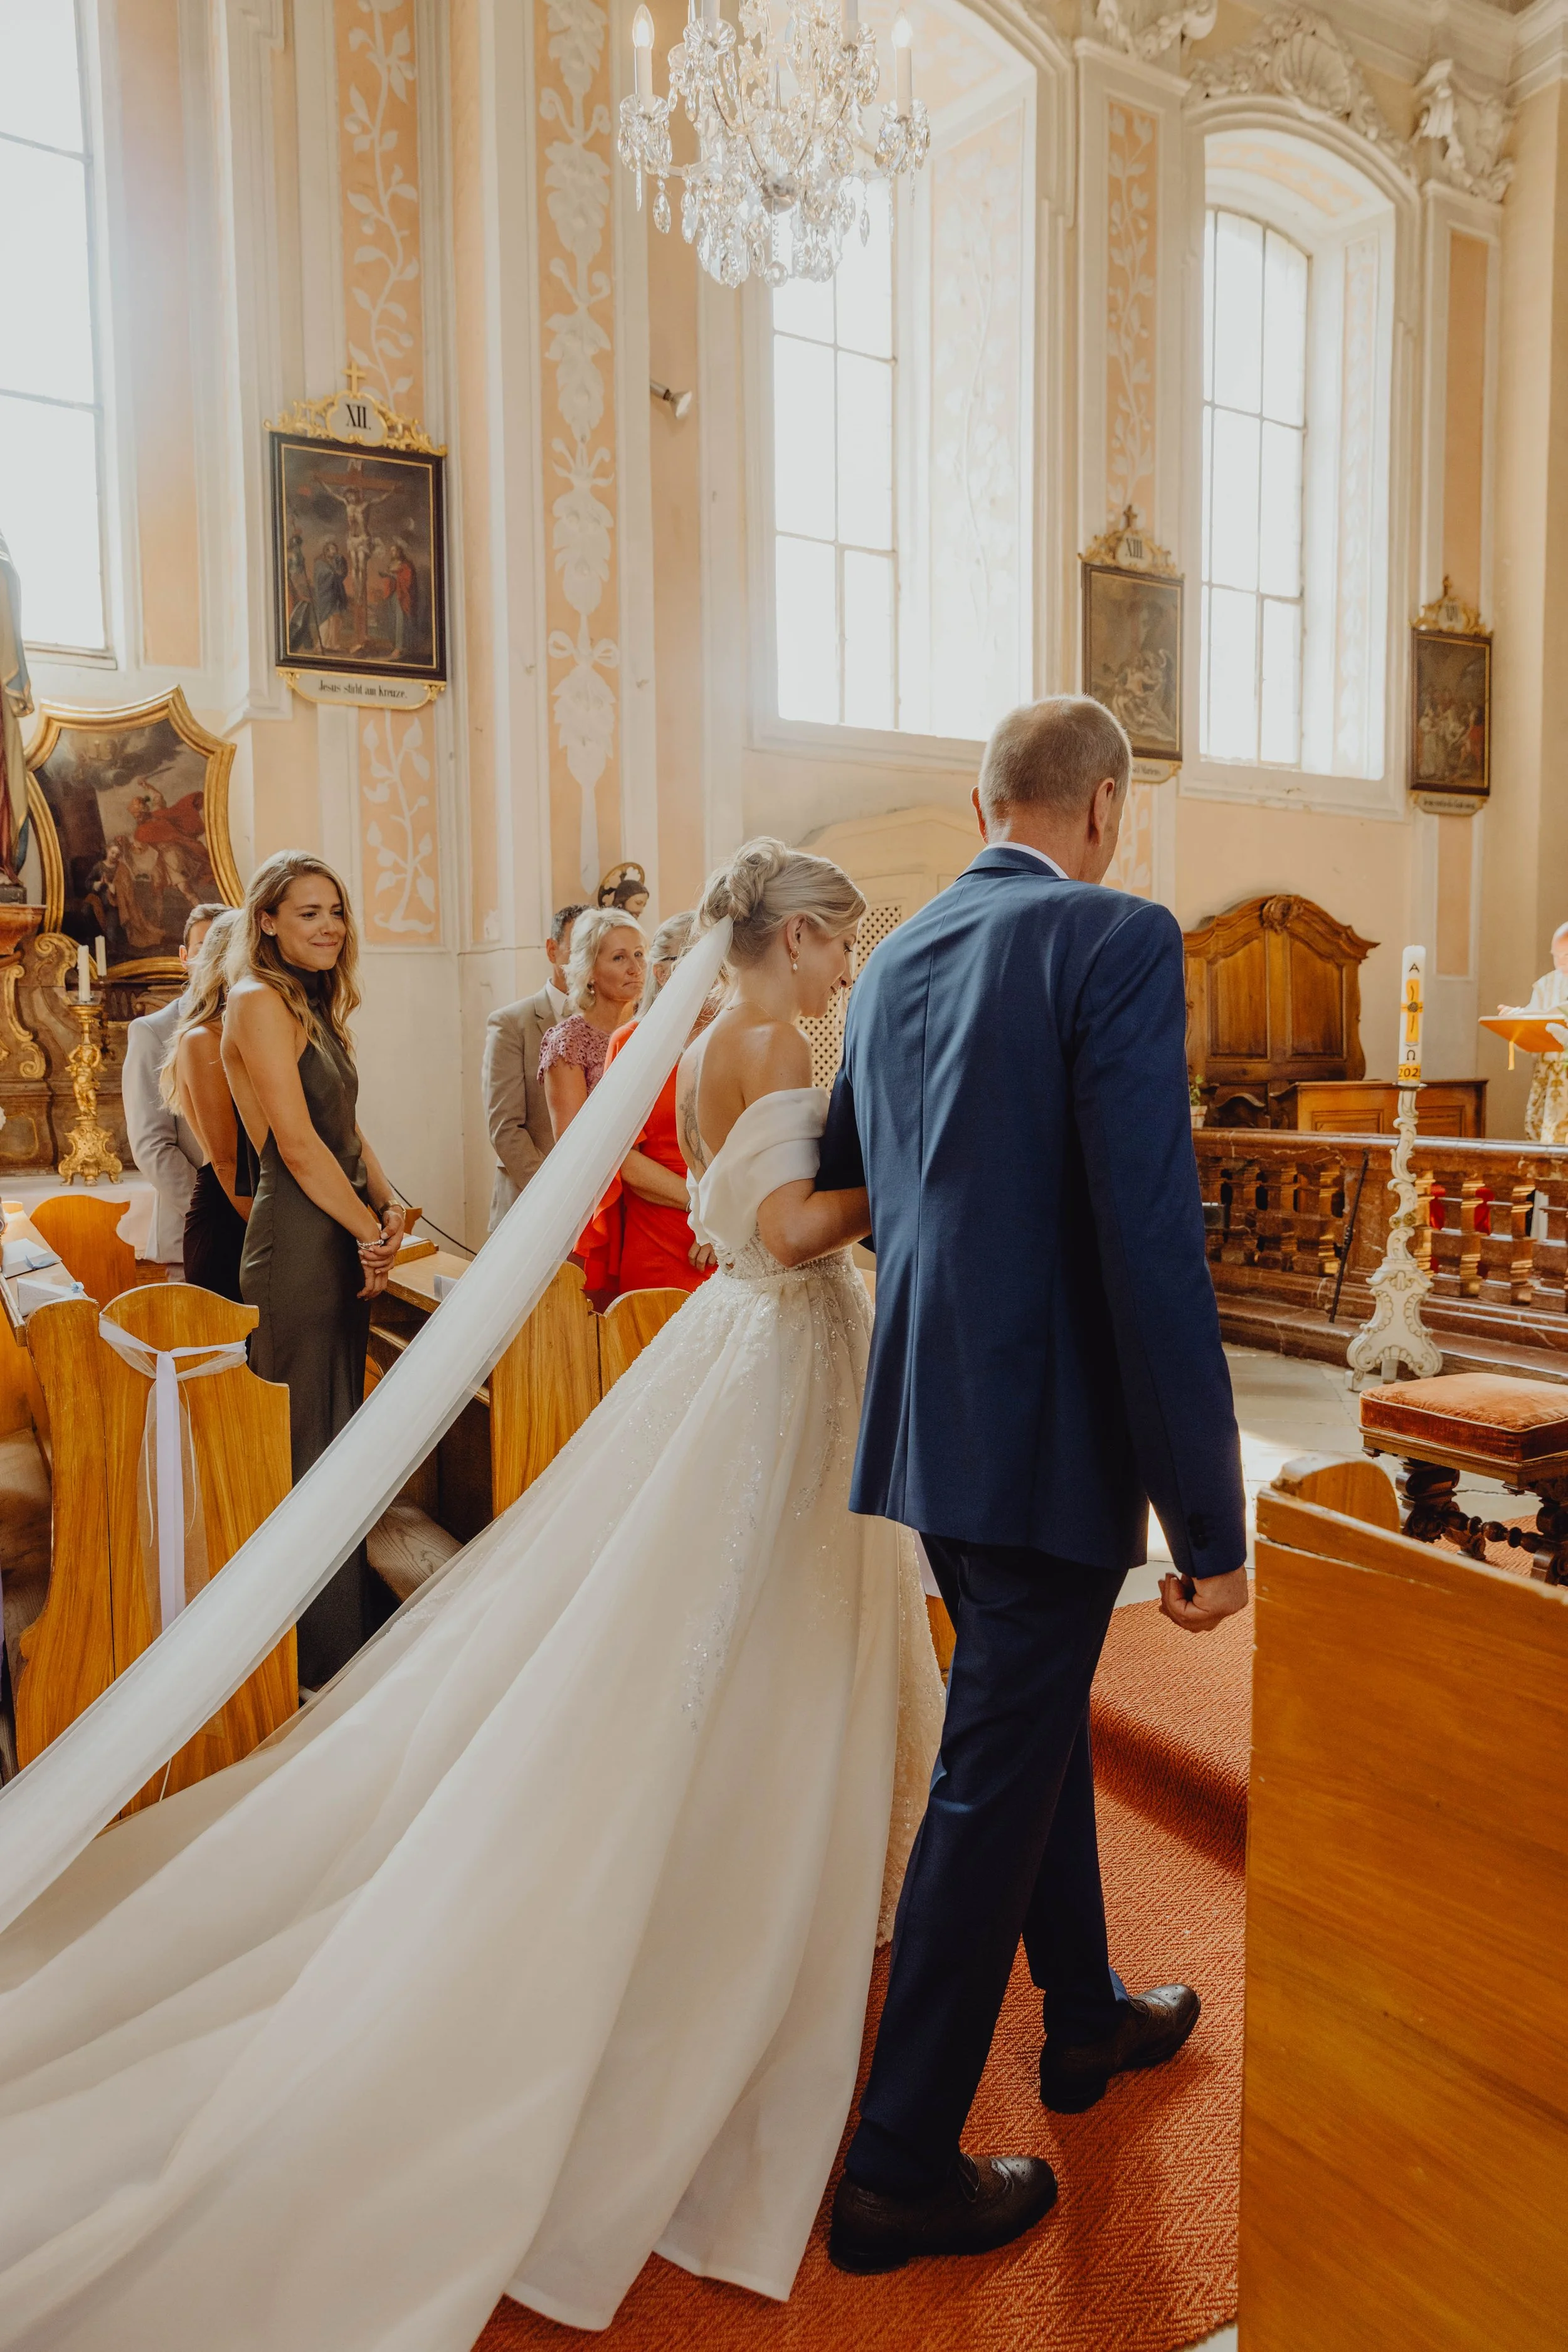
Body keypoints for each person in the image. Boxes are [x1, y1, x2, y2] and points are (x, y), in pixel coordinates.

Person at [0, 839, 944, 2348]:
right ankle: (760, 1869)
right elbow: (771, 1227)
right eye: (844, 939)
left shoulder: (702, 1037)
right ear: (800, 935)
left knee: (725, 1608)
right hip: (783, 1338)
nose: (850, 964)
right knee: (769, 1612)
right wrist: (899, 1181)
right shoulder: (765, 1036)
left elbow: (715, 1203)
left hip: (746, 1353)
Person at [820, 694, 1250, 2275]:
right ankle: (895, 2163)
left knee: (1029, 1710)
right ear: (1104, 810)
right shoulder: (1115, 936)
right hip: (1050, 1435)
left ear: (984, 799)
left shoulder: (896, 958)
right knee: (991, 1770)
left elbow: (861, 1186)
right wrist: (1211, 1519)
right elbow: (1152, 1239)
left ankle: (1083, 2017)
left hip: (933, 1420)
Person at [221, 852, 406, 1690]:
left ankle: (343, 1632)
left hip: (336, 1230)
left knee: (338, 1438)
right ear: (266, 920)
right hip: (297, 1243)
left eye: (334, 909)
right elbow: (295, 1145)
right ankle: (302, 1652)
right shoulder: (258, 1001)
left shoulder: (314, 1005)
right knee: (303, 1447)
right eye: (307, 912)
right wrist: (367, 1227)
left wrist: (390, 1202)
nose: (329, 923)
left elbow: (347, 1134)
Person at [577, 913, 717, 1302]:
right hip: (661, 1235)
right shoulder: (632, 1043)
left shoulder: (734, 1039)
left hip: (731, 1234)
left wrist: (728, 1218)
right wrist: (703, 1208)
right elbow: (623, 1159)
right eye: (696, 962)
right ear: (662, 973)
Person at [121, 900, 227, 1274]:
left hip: (258, 1231)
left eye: (228, 947)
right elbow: (153, 1146)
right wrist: (218, 1211)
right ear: (185, 957)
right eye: (205, 948)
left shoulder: (256, 1024)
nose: (219, 958)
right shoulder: (153, 1031)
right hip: (195, 1228)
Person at [159, 911, 258, 1302]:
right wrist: (278, 1235)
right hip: (231, 1216)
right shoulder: (202, 1040)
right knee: (235, 1357)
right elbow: (227, 1162)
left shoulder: (263, 1029)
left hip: (268, 1207)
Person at [482, 902, 585, 1235]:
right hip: (531, 1201)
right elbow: (505, 1127)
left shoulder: (620, 1024)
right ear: (553, 950)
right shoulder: (512, 1023)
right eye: (579, 946)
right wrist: (552, 1195)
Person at [538, 906, 647, 1140]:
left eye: (639, 954)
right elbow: (572, 1145)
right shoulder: (568, 1042)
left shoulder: (655, 1026)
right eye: (619, 958)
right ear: (589, 971)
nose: (635, 969)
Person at [1502, 921, 1568, 1144]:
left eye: (1566, 954)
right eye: (1556, 955)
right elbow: (1530, 1033)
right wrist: (1515, 1023)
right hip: (1548, 1080)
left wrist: (1526, 1014)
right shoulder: (1546, 985)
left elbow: (1558, 1011)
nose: (1560, 961)